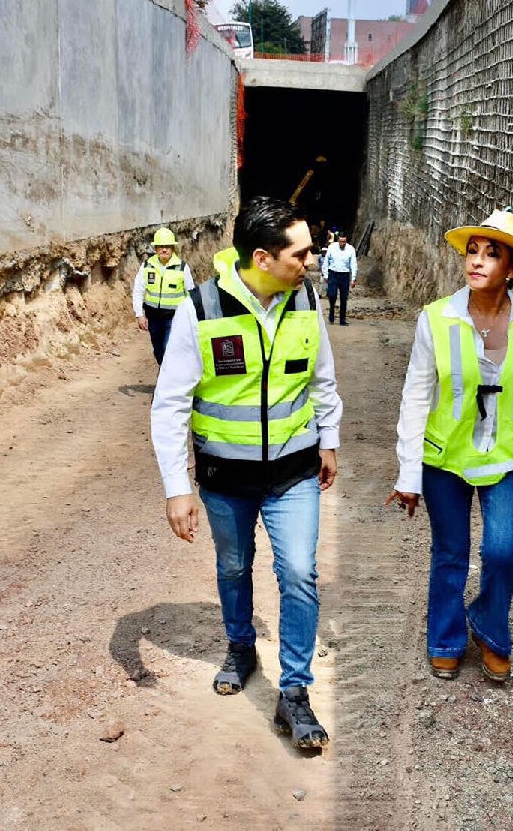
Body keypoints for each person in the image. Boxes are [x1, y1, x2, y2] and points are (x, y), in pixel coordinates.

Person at [150, 196, 343, 749]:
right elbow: (170, 405)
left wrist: (327, 441)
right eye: (301, 253)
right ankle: (240, 647)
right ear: (262, 257)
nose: (311, 260)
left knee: (300, 574)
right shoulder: (201, 309)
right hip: (224, 477)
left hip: (293, 473)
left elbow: (322, 381)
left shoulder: (306, 299)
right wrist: (176, 488)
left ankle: (295, 693)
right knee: (234, 568)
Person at [385, 208, 513, 682]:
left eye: (492, 254)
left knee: (503, 551)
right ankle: (445, 638)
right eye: (472, 251)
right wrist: (408, 474)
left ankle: (488, 625)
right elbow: (415, 398)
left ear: (512, 269)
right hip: (446, 456)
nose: (478, 261)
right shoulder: (436, 319)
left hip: (512, 454)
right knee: (450, 551)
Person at [132, 227, 193, 365]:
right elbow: (138, 291)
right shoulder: (147, 266)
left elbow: (191, 294)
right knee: (158, 351)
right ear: (156, 248)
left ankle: (167, 377)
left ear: (172, 248)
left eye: (167, 247)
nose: (164, 250)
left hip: (174, 318)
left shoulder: (182, 268)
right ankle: (165, 369)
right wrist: (139, 315)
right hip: (153, 317)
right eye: (161, 247)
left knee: (168, 349)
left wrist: (191, 318)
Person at [322, 230, 357, 325]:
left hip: (344, 275)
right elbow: (326, 261)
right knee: (332, 295)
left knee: (343, 298)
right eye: (341, 241)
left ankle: (342, 320)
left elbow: (353, 264)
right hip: (333, 274)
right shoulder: (332, 248)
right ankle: (331, 311)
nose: (342, 243)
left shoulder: (351, 249)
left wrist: (353, 278)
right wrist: (325, 274)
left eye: (344, 241)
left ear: (346, 241)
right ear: (338, 240)